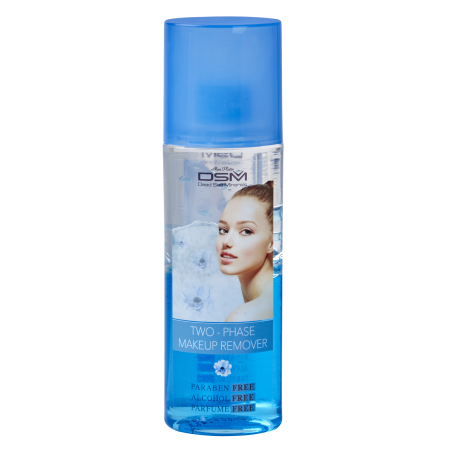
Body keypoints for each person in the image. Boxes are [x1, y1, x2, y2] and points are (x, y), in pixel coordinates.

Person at [216, 181, 274, 322]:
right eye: (223, 230)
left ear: (272, 243)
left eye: (246, 231)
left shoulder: (242, 318)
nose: (226, 241)